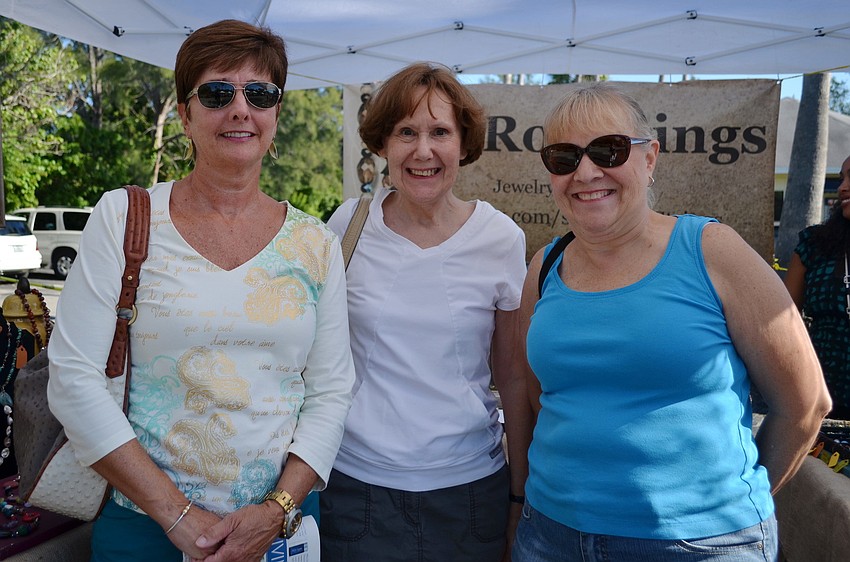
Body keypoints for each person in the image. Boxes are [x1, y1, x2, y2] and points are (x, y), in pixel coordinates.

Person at [47, 19, 355, 562]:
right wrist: (178, 516)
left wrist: (277, 509)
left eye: (259, 93)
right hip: (146, 528)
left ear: (275, 114)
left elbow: (331, 392)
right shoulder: (125, 218)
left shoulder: (316, 243)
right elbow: (75, 380)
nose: (240, 108)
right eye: (217, 92)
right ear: (186, 116)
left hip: (277, 531)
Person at [514, 83, 832, 561]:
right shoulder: (544, 266)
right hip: (550, 535)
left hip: (699, 545)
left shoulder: (712, 251)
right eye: (564, 157)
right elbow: (542, 394)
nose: (585, 171)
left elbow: (804, 404)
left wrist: (729, 503)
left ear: (649, 158)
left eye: (608, 149)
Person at [320, 62, 532, 561]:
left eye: (440, 132)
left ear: (463, 144)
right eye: (406, 132)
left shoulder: (500, 238)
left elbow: (515, 379)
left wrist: (520, 494)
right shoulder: (347, 225)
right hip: (354, 489)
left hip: (470, 494)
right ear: (383, 145)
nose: (423, 150)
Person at [784, 154, 850, 420]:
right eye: (842, 178)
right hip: (822, 405)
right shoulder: (815, 245)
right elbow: (784, 323)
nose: (843, 187)